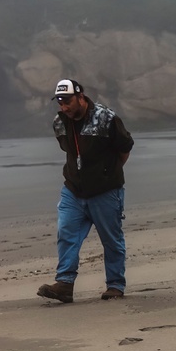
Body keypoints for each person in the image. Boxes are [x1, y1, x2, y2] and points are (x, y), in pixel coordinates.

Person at [37, 79, 134, 303]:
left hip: (106, 191)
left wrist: (108, 173)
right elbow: (69, 151)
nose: (64, 107)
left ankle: (115, 285)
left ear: (81, 97)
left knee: (111, 240)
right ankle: (64, 284)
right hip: (72, 189)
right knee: (66, 233)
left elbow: (125, 148)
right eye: (60, 102)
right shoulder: (59, 122)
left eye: (68, 101)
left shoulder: (106, 118)